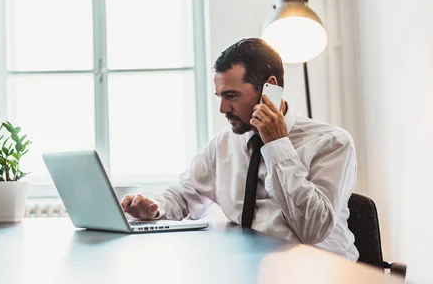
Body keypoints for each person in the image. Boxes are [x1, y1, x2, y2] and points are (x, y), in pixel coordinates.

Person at [120, 38, 358, 260]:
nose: (223, 108)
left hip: (318, 271)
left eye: (231, 95)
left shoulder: (332, 143)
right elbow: (184, 193)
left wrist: (277, 145)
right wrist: (153, 207)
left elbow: (313, 229)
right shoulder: (223, 145)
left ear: (270, 88)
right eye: (220, 96)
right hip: (246, 269)